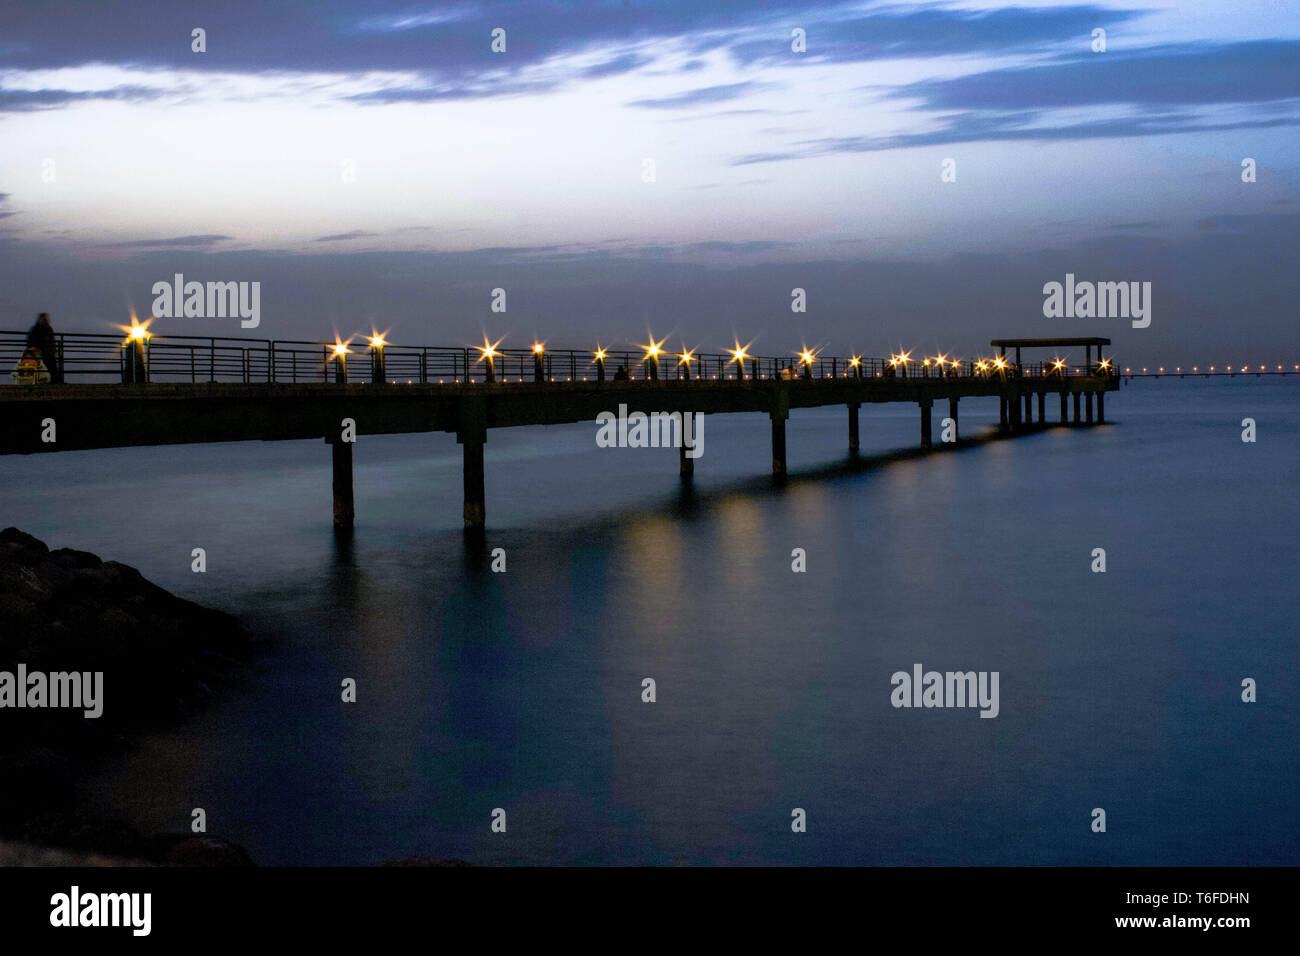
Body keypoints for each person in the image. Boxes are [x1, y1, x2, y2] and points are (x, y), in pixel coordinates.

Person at [25, 313, 61, 383]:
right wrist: (54, 351)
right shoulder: (47, 328)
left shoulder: (36, 328)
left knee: (48, 367)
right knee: (51, 367)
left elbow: (31, 340)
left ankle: (51, 380)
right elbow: (52, 341)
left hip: (44, 351)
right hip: (46, 351)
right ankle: (54, 380)